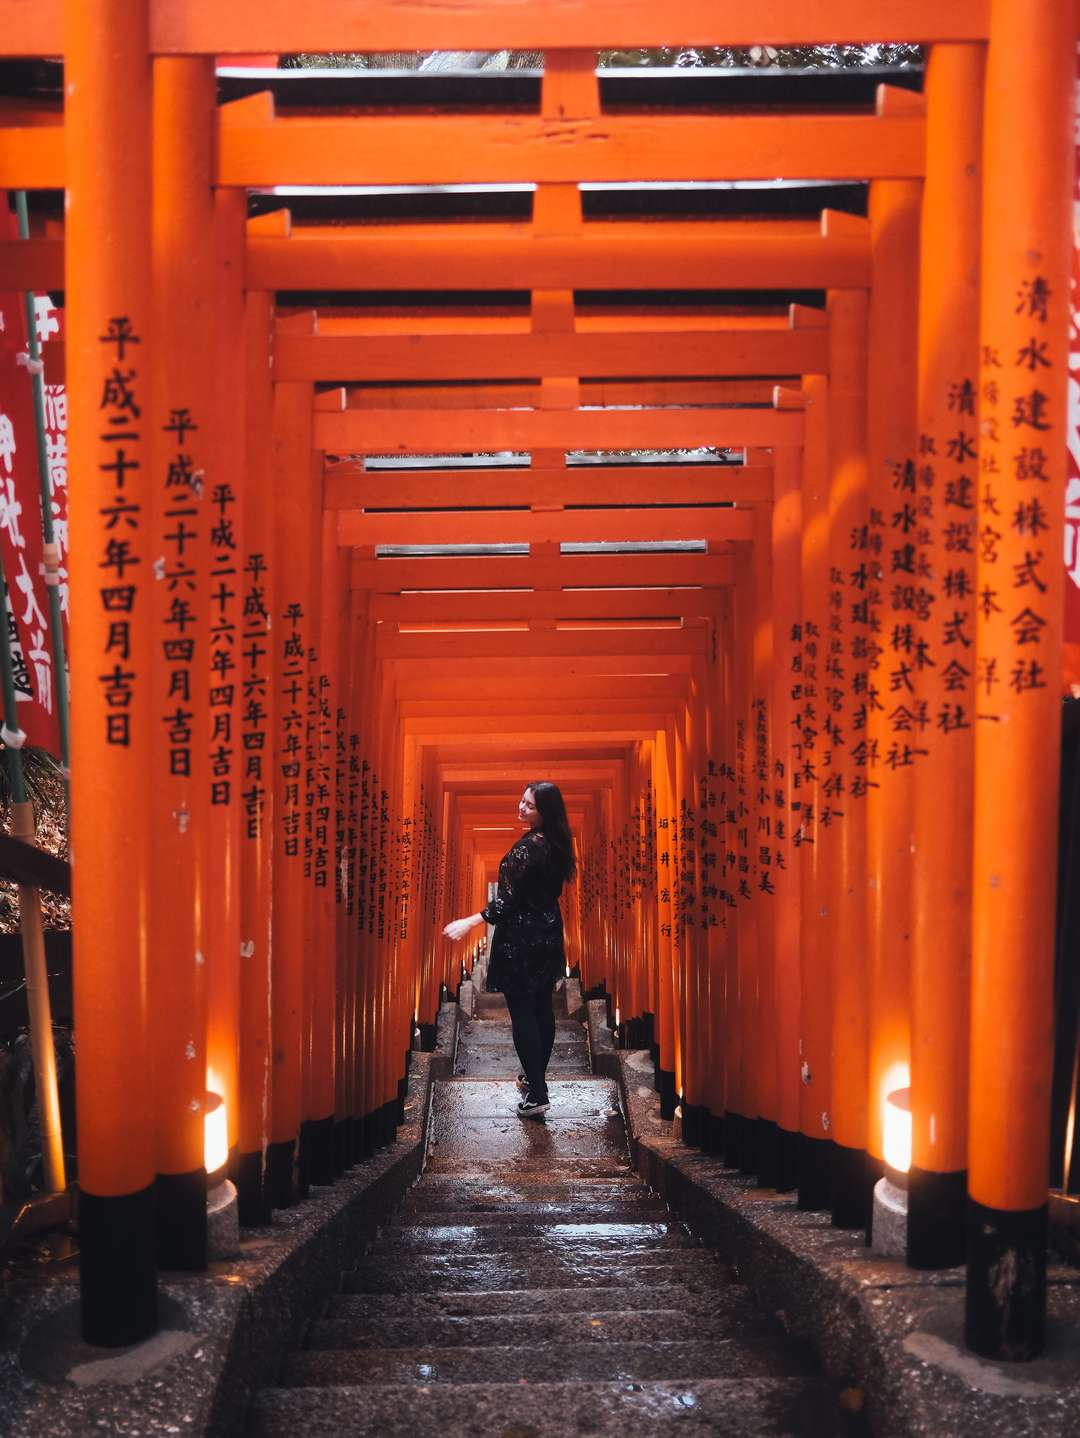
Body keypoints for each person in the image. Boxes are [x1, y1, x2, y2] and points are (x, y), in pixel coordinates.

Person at [442, 781, 576, 1119]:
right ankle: (535, 1079)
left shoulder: (527, 848)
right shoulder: (558, 845)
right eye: (522, 800)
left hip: (521, 938)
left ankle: (538, 1093)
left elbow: (507, 902)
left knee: (523, 1013)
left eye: (529, 805)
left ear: (544, 812)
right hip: (548, 934)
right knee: (542, 1008)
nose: (521, 808)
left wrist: (469, 921)